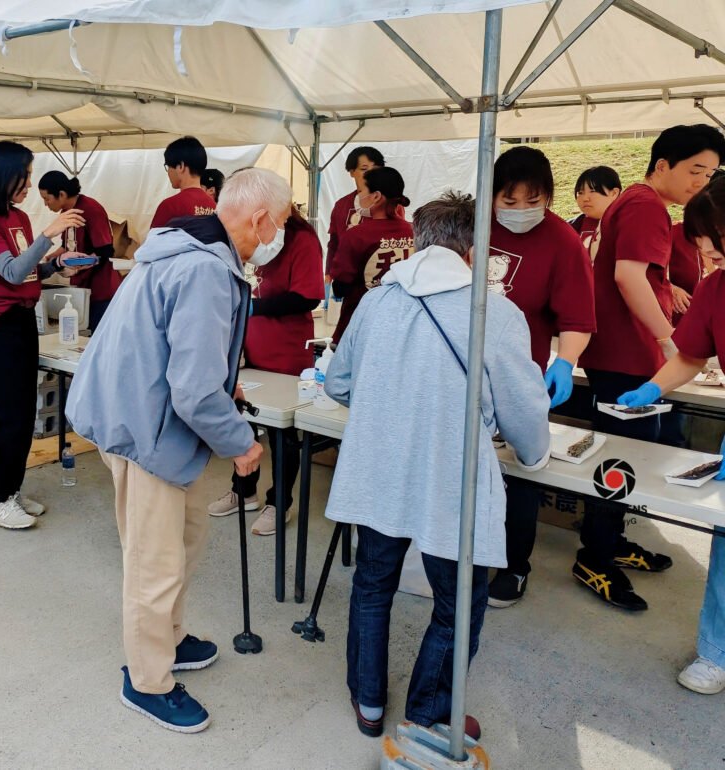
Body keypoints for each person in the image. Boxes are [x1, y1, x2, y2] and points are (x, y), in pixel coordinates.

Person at [324, 192, 550, 740]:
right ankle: (427, 711)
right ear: (474, 250)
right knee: (458, 604)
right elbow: (523, 409)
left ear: (418, 242)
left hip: (379, 468)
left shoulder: (378, 301)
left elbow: (337, 382)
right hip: (454, 479)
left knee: (373, 583)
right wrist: (534, 451)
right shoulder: (493, 312)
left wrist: (389, 411)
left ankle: (369, 701)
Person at [65, 168, 285, 733]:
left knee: (183, 538)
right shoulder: (205, 270)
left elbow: (179, 352)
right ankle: (147, 680)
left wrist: (222, 380)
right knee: (154, 560)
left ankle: (169, 635)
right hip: (148, 429)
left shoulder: (185, 246)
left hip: (139, 413)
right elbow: (190, 390)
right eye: (277, 225)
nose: (274, 237)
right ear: (258, 219)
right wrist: (242, 445)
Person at [577, 124, 725, 610]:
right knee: (618, 460)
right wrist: (666, 339)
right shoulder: (646, 206)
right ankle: (594, 558)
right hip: (628, 358)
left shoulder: (638, 204)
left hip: (630, 358)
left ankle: (610, 543)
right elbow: (628, 276)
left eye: (710, 173)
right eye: (694, 171)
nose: (700, 182)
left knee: (628, 460)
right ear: (662, 164)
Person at [617, 176, 725, 695]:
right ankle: (716, 652)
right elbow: (690, 354)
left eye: (716, 242)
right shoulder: (714, 286)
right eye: (703, 245)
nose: (707, 256)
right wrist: (651, 389)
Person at [486, 147, 596, 608]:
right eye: (508, 203)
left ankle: (514, 565)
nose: (519, 212)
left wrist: (564, 362)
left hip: (520, 373)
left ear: (549, 197)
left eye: (533, 201)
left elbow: (577, 316)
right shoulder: (472, 225)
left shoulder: (562, 241)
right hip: (462, 367)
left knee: (522, 469)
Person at [0, 141, 84, 530]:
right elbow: (11, 273)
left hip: (20, 321)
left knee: (22, 414)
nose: (29, 184)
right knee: (6, 416)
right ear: (4, 174)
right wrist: (48, 236)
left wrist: (53, 265)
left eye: (30, 176)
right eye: (25, 175)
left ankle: (11, 491)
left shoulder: (17, 218)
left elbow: (26, 272)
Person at [206, 204, 324, 535]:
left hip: (285, 350)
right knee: (242, 417)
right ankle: (243, 490)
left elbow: (308, 297)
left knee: (281, 432)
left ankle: (280, 502)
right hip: (250, 344)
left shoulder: (301, 239)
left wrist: (252, 305)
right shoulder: (248, 235)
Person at [329, 166, 413, 344]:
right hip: (403, 320)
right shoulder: (414, 231)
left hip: (361, 321)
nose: (358, 196)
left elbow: (340, 287)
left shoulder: (356, 235)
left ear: (375, 196)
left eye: (362, 191)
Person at [38, 171, 121, 331]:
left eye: (46, 199)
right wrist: (53, 256)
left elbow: (105, 251)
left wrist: (81, 263)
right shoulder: (66, 213)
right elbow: (68, 244)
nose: (45, 204)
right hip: (80, 288)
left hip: (100, 290)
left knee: (96, 335)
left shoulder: (91, 209)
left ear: (61, 194)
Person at [324, 146, 385, 276]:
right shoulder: (341, 205)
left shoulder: (390, 204)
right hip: (347, 278)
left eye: (375, 169)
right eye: (364, 169)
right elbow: (334, 242)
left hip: (379, 276)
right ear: (352, 172)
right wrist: (328, 273)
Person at [149, 136, 216, 229]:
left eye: (168, 166)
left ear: (181, 166)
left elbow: (153, 242)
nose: (168, 172)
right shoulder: (214, 206)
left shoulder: (170, 206)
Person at [570, 165, 621, 254]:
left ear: (614, 193)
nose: (585, 198)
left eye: (593, 191)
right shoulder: (571, 227)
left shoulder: (627, 226)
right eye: (580, 192)